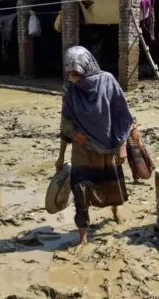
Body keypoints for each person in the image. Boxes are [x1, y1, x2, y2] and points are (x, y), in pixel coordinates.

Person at [55, 46, 134, 247]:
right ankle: (83, 237)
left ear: (87, 67)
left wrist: (122, 145)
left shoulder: (107, 81)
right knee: (79, 190)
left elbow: (122, 115)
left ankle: (115, 210)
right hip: (82, 147)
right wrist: (61, 156)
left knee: (111, 184)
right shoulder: (70, 89)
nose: (73, 77)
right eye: (69, 72)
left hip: (108, 144)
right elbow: (66, 123)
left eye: (77, 73)